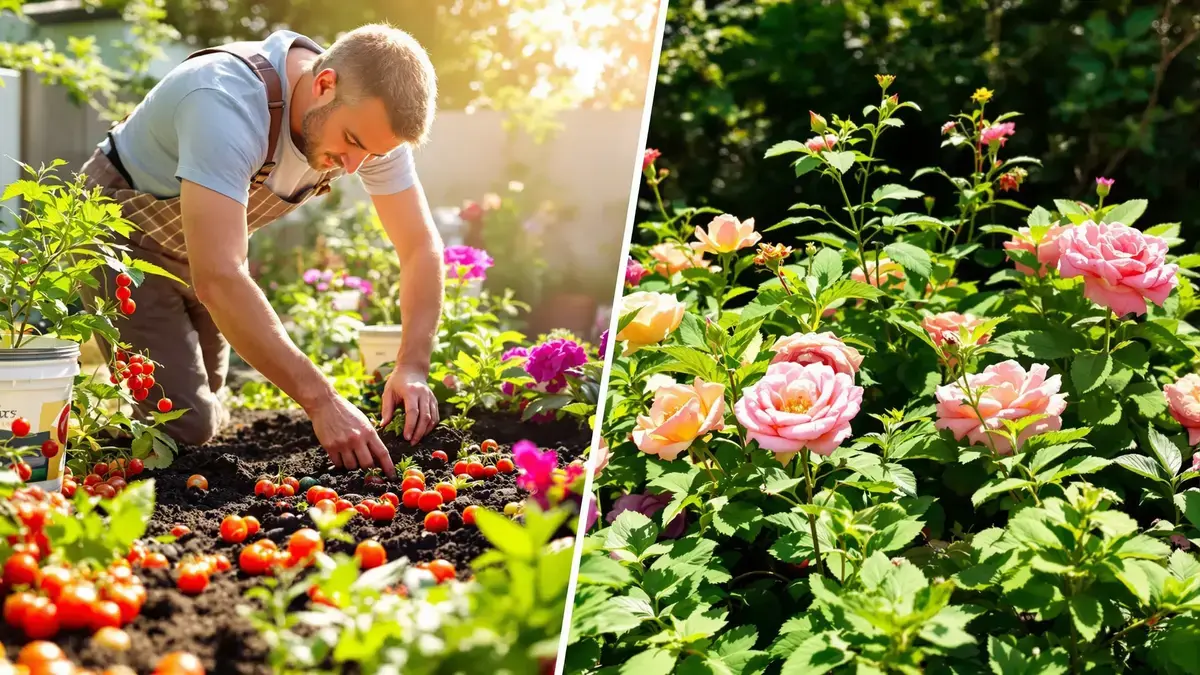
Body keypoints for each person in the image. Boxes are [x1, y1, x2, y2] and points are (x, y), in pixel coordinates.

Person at [78, 23, 446, 477]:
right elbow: (220, 277)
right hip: (122, 237)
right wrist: (322, 400)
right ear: (324, 84)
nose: (353, 168)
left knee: (207, 400)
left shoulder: (369, 125)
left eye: (371, 153)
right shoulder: (224, 101)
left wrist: (411, 366)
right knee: (185, 424)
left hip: (204, 250)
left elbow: (420, 248)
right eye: (351, 143)